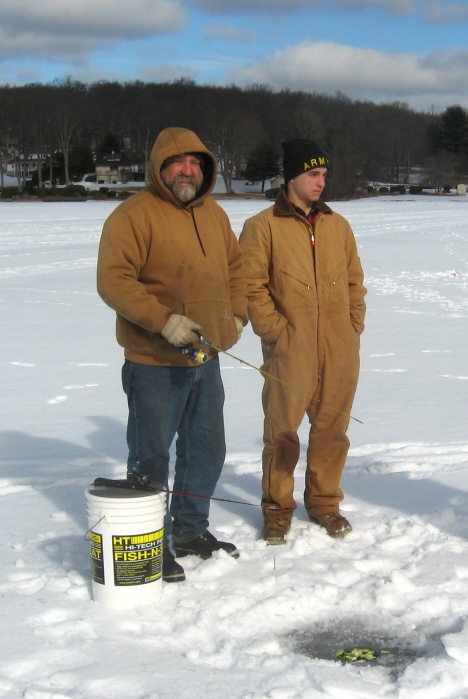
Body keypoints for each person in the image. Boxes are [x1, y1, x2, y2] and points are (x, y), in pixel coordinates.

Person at [97, 127, 248, 582]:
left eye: (197, 163)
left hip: (207, 357)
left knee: (206, 448)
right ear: (160, 167)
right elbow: (114, 280)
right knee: (151, 454)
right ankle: (149, 539)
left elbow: (236, 270)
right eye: (179, 162)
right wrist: (165, 321)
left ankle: (189, 530)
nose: (189, 170)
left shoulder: (215, 215)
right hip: (153, 360)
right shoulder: (133, 215)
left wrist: (236, 317)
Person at [239, 138, 367, 545]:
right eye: (313, 174)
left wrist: (352, 326)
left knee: (333, 429)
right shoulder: (262, 227)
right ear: (291, 176)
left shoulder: (338, 225)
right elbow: (250, 286)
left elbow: (354, 283)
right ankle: (277, 509)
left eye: (324, 175)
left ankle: (325, 504)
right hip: (289, 348)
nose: (320, 182)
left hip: (339, 347)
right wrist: (276, 331)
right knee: (282, 432)